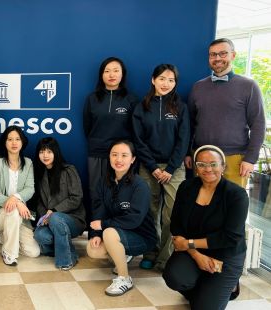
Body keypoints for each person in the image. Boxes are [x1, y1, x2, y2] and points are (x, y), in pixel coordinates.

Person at [163, 145, 248, 310]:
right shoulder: (186, 187)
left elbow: (230, 237)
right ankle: (205, 286)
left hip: (225, 254)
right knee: (174, 277)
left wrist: (188, 244)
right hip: (194, 250)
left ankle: (228, 285)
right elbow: (176, 224)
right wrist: (195, 254)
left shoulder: (236, 195)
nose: (208, 169)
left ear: (223, 166)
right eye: (201, 164)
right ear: (195, 167)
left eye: (213, 164)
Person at [186, 38, 265, 188]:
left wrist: (250, 159)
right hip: (202, 157)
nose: (217, 58)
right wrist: (188, 153)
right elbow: (189, 123)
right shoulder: (198, 87)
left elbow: (258, 124)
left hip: (235, 160)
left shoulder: (249, 86)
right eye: (213, 55)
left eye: (223, 54)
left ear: (233, 55)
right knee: (204, 205)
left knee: (233, 206)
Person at [132, 64, 189, 271]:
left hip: (174, 168)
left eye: (171, 80)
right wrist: (154, 168)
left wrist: (170, 168)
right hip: (149, 167)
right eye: (162, 79)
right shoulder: (142, 107)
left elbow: (183, 141)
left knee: (172, 213)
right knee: (149, 211)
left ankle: (166, 257)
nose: (166, 84)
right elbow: (138, 141)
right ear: (153, 80)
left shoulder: (180, 107)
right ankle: (150, 252)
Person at [87, 140, 156, 296]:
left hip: (142, 236)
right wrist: (97, 234)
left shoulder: (140, 185)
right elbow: (99, 210)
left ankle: (124, 278)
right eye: (114, 155)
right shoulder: (104, 182)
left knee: (109, 233)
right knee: (93, 250)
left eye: (124, 155)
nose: (118, 160)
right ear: (109, 157)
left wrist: (104, 225)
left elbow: (134, 219)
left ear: (132, 159)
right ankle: (122, 254)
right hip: (117, 232)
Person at [0, 126, 40, 266]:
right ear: (5, 142)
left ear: (22, 142)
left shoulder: (28, 163)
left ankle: (5, 236)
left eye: (17, 139)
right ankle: (9, 254)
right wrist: (17, 202)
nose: (14, 143)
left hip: (19, 214)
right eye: (10, 139)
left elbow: (30, 189)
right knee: (13, 211)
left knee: (34, 252)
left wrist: (16, 198)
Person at [83, 57, 139, 201]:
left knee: (122, 193)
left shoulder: (131, 99)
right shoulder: (92, 99)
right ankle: (96, 223)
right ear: (102, 75)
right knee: (96, 190)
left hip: (121, 154)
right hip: (97, 152)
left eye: (116, 71)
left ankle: (118, 223)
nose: (112, 75)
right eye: (107, 71)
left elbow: (136, 129)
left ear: (122, 74)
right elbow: (87, 126)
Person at [32, 137, 86, 270]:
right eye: (42, 152)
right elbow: (39, 201)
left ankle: (66, 260)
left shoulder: (68, 170)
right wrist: (44, 216)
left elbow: (76, 197)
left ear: (55, 152)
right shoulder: (39, 173)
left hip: (73, 219)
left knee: (56, 218)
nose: (45, 155)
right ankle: (68, 250)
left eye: (49, 151)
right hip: (50, 219)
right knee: (40, 235)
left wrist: (55, 211)